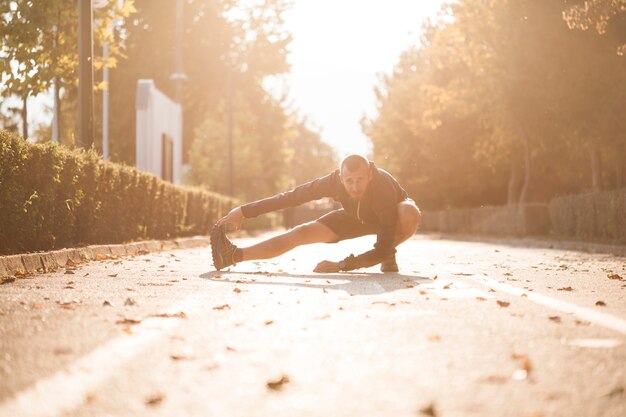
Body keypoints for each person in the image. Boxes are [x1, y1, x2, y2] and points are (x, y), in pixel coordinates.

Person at [211, 154, 421, 273]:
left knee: (409, 211)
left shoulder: (382, 188)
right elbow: (291, 197)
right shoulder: (331, 183)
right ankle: (232, 256)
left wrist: (342, 265)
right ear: (340, 177)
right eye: (349, 181)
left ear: (370, 176)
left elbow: (381, 246)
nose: (355, 187)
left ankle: (389, 257)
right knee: (301, 232)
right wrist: (244, 211)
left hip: (391, 218)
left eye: (360, 180)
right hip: (354, 218)